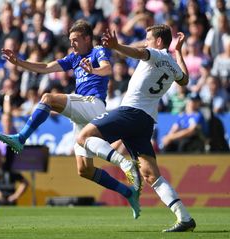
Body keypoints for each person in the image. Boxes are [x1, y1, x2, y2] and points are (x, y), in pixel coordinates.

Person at [0, 20, 141, 219]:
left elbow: (107, 69)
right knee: (84, 170)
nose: (72, 43)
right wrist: (19, 62)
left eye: (75, 40)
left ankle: (21, 138)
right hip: (82, 113)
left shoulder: (98, 51)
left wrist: (93, 71)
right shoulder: (74, 58)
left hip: (93, 104)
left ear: (87, 38)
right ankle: (128, 193)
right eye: (70, 40)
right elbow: (46, 67)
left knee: (47, 98)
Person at [77, 25, 196, 232]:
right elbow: (184, 79)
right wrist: (179, 52)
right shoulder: (172, 64)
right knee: (152, 175)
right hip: (146, 121)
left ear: (159, 42)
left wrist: (116, 46)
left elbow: (139, 52)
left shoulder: (156, 54)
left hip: (131, 112)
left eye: (148, 38)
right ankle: (184, 217)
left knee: (84, 136)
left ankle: (124, 164)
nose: (146, 41)